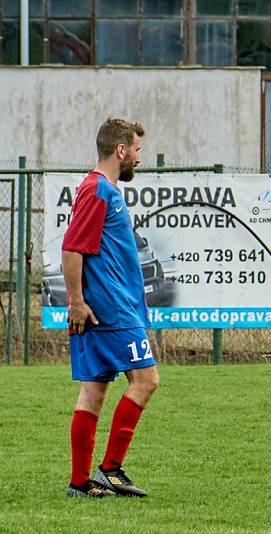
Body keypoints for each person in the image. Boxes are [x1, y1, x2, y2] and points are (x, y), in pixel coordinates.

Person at [63, 118, 158, 498]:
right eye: (136, 149)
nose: (138, 156)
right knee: (147, 380)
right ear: (121, 151)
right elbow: (71, 249)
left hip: (107, 309)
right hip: (111, 311)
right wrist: (76, 302)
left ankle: (79, 482)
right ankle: (111, 469)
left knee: (93, 391)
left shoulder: (104, 190)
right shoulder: (97, 190)